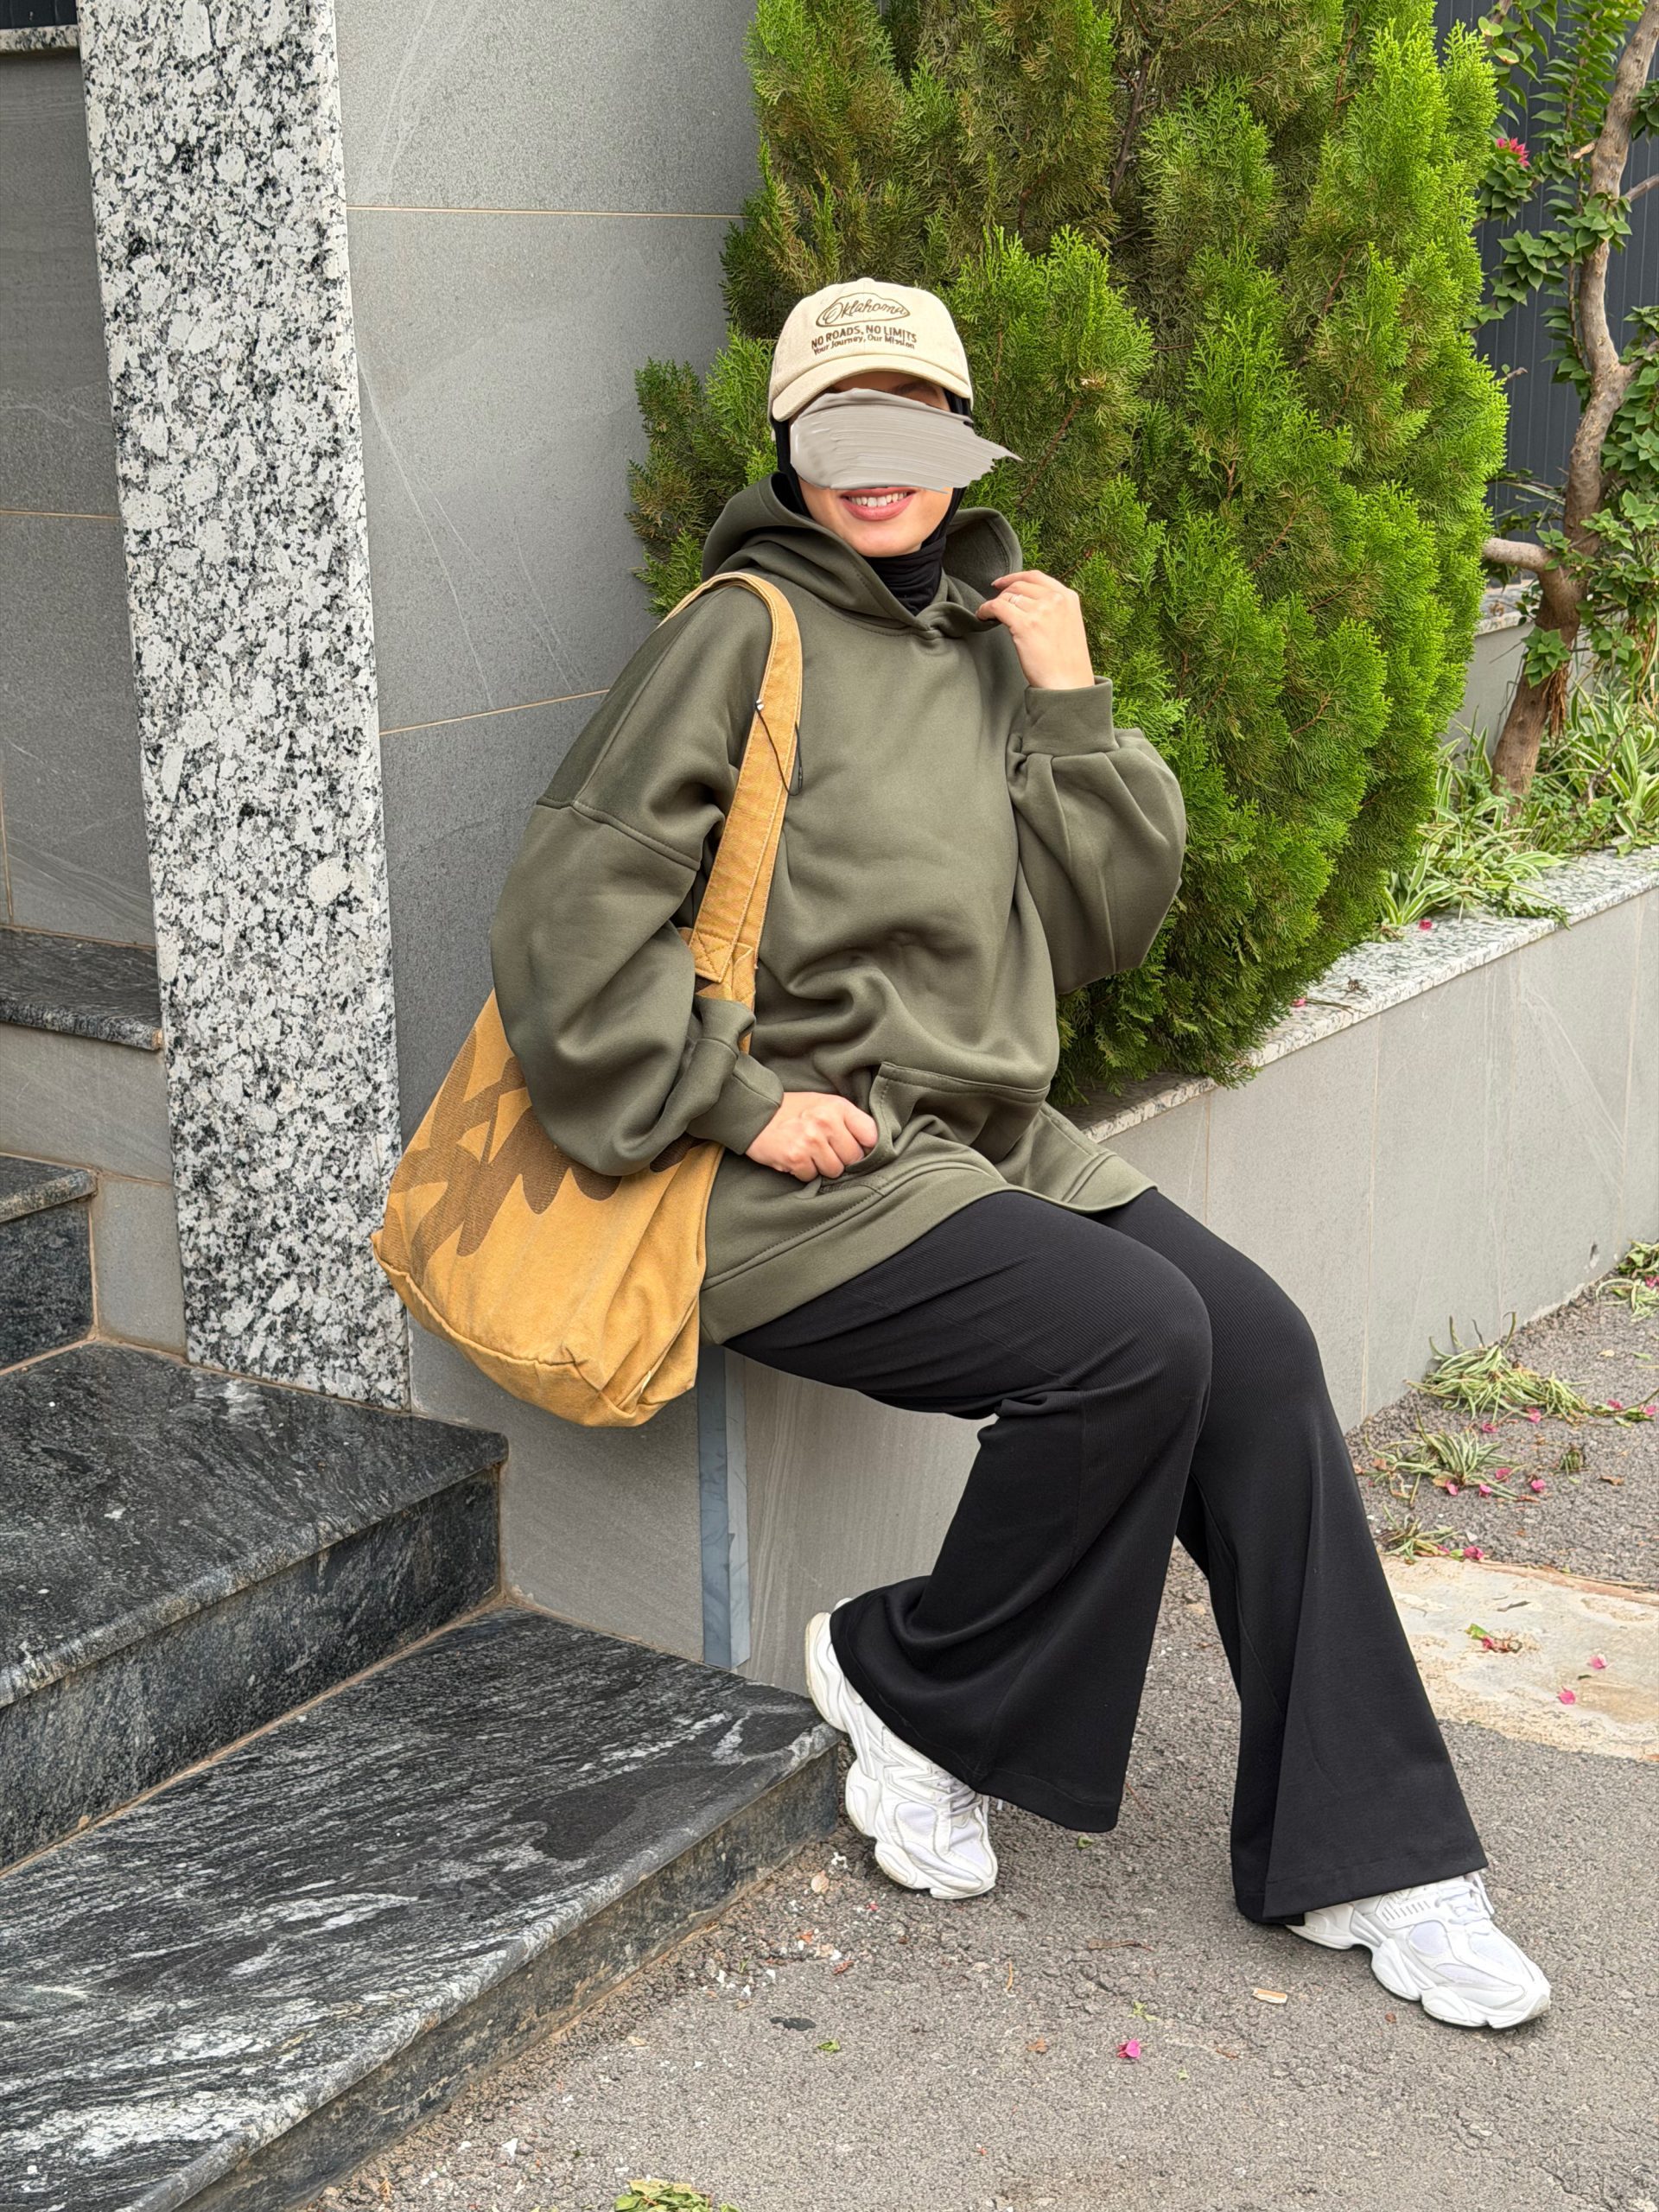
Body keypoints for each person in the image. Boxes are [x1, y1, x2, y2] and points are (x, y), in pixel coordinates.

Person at [489, 276, 1550, 2032]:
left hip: (984, 1140)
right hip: (793, 1171)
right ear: (791, 445)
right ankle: (912, 1686)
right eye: (841, 424)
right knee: (1135, 1339)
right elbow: (562, 924)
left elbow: (1108, 922)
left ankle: (1370, 1850)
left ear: (962, 443)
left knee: (1256, 1350)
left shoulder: (992, 641)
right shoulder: (740, 634)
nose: (876, 460)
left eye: (912, 421)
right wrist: (739, 1098)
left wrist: (1068, 697)